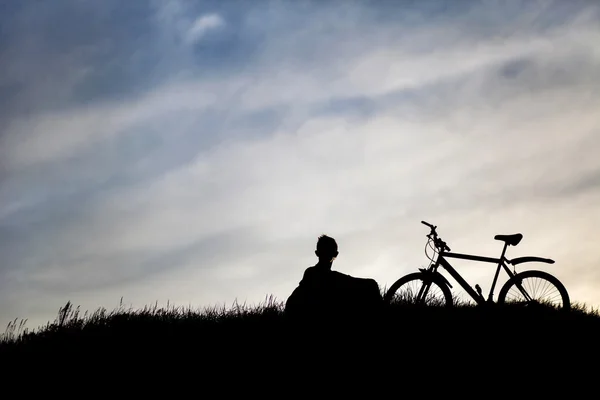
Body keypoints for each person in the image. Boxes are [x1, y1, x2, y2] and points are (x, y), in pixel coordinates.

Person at [284, 234, 383, 319]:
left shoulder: (330, 276)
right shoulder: (312, 273)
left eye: (329, 252)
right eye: (324, 252)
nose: (326, 256)